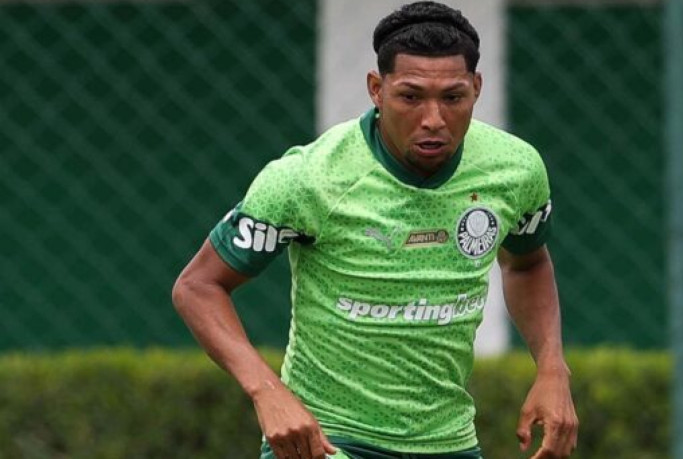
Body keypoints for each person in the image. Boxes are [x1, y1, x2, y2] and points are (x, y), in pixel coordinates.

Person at [172, 2, 578, 458]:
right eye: (410, 96)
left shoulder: (515, 170)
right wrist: (267, 392)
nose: (433, 119)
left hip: (447, 442)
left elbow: (527, 264)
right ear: (376, 89)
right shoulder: (311, 179)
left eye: (453, 97)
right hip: (327, 440)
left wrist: (551, 369)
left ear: (477, 89)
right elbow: (198, 286)